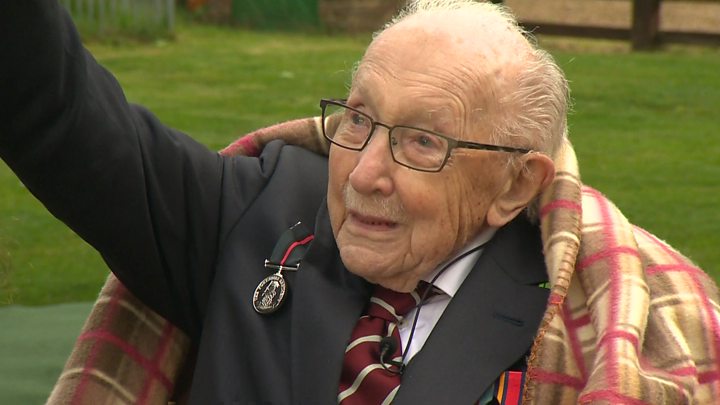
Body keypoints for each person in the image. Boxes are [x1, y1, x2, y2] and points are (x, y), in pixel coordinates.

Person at [2, 0, 719, 404]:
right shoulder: (253, 208)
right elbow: (57, 114)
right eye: (358, 120)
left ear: (515, 184)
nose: (363, 173)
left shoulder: (570, 319)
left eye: (421, 142)